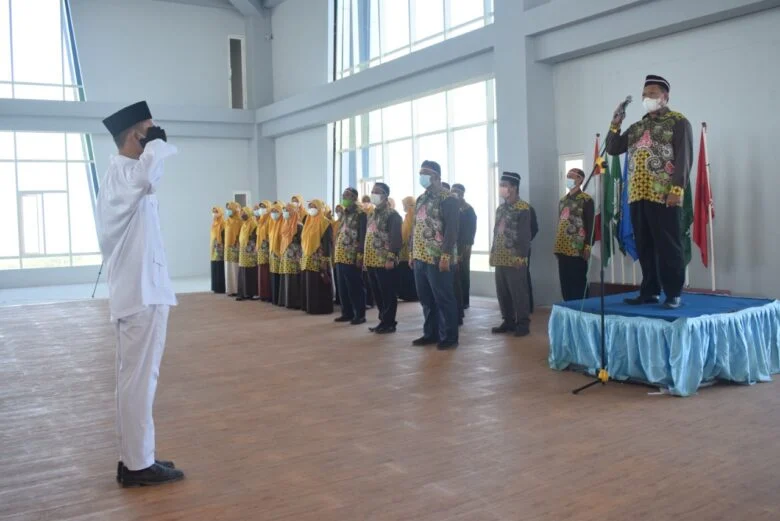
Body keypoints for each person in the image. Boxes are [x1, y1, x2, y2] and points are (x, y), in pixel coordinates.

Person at [96, 100, 184, 487]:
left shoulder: (130, 176)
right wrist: (154, 147)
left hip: (145, 292)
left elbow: (151, 177)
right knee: (138, 381)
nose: (157, 133)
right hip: (139, 296)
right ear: (136, 136)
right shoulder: (125, 175)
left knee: (138, 379)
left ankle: (136, 456)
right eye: (150, 129)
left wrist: (153, 149)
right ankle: (136, 465)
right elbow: (148, 176)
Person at [606, 74, 693, 309]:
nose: (647, 98)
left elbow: (684, 157)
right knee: (644, 244)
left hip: (664, 194)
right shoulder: (638, 127)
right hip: (637, 195)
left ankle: (673, 292)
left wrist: (677, 189)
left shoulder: (678, 122)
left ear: (665, 97)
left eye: (652, 94)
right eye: (645, 94)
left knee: (668, 245)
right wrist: (616, 122)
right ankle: (650, 290)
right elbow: (613, 148)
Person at [410, 160, 460, 350]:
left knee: (444, 298)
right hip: (421, 256)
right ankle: (430, 333)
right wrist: (412, 253)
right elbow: (416, 227)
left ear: (437, 177)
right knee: (426, 299)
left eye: (425, 173)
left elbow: (452, 230)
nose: (421, 177)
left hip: (438, 258)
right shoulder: (421, 199)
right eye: (420, 173)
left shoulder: (448, 199)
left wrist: (446, 256)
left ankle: (449, 336)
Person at [490, 171, 532, 337]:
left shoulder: (523, 208)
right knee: (503, 292)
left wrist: (521, 256)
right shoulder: (501, 208)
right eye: (501, 185)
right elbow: (496, 232)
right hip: (500, 256)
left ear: (514, 188)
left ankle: (522, 323)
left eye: (504, 185)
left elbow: (525, 235)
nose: (501, 188)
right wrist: (493, 252)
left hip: (515, 257)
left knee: (518, 292)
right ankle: (507, 321)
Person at [364, 182, 403, 334]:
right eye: (373, 191)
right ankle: (383, 320)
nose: (374, 194)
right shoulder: (372, 214)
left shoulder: (392, 215)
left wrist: (391, 258)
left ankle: (389, 322)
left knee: (387, 292)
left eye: (377, 192)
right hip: (371, 260)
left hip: (385, 261)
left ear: (385, 195)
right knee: (377, 293)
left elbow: (396, 239)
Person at [554, 168, 594, 301]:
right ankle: (568, 311)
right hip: (562, 247)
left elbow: (590, 225)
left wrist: (587, 246)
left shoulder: (586, 200)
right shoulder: (562, 200)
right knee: (565, 284)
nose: (568, 179)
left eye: (572, 176)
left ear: (580, 180)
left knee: (578, 283)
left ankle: (581, 312)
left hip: (578, 248)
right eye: (567, 176)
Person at [333, 187, 368, 325]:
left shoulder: (361, 214)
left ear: (354, 197)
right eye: (343, 195)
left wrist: (360, 255)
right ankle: (346, 313)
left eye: (347, 196)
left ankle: (359, 314)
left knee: (355, 286)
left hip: (352, 255)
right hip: (340, 255)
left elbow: (362, 235)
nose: (344, 198)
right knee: (342, 287)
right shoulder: (344, 214)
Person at [301, 199, 334, 315]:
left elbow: (327, 243)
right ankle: (310, 307)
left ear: (319, 208)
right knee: (310, 282)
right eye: (309, 206)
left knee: (320, 283)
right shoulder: (308, 222)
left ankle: (322, 308)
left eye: (314, 206)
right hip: (308, 258)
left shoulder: (325, 222)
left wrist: (325, 260)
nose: (311, 209)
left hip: (319, 258)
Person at [451, 183, 477, 312]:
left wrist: (465, 248)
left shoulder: (468, 210)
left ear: (462, 194)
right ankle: (457, 300)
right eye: (452, 191)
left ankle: (464, 301)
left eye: (456, 191)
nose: (454, 193)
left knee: (463, 273)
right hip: (452, 245)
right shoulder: (452, 207)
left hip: (464, 246)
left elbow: (470, 230)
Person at [279, 203, 304, 309]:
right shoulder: (285, 223)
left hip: (295, 256)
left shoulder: (299, 225)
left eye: (287, 210)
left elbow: (301, 241)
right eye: (284, 210)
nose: (285, 213)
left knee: (294, 277)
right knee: (286, 276)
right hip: (286, 254)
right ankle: (286, 300)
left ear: (293, 212)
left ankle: (295, 302)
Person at [396, 196, 418, 302]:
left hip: (409, 250)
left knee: (409, 274)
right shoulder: (406, 216)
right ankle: (406, 294)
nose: (404, 207)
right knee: (405, 273)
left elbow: (409, 232)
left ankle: (412, 295)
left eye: (405, 204)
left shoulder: (412, 215)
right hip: (403, 251)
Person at [236, 206, 259, 301]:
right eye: (241, 213)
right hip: (243, 252)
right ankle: (243, 293)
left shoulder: (253, 223)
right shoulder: (244, 224)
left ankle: (251, 293)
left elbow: (254, 237)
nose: (242, 215)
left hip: (250, 253)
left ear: (249, 213)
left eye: (244, 213)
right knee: (243, 271)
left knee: (250, 272)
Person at [255, 200, 273, 302]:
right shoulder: (261, 220)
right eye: (261, 207)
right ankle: (262, 293)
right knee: (261, 271)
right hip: (261, 249)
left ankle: (267, 294)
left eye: (264, 207)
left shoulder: (269, 220)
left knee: (266, 271)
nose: (262, 209)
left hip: (266, 249)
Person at [268, 202, 284, 306]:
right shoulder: (272, 223)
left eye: (276, 211)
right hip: (273, 253)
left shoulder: (283, 222)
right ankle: (274, 297)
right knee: (273, 275)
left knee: (279, 276)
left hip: (280, 253)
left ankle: (279, 299)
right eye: (272, 211)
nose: (274, 213)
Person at [224, 201, 242, 297]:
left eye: (230, 209)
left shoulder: (239, 220)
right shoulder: (227, 221)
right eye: (227, 209)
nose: (228, 211)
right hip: (227, 248)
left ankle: (236, 289)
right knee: (228, 268)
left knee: (235, 269)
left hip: (235, 247)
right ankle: (230, 289)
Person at [209, 206, 226, 294]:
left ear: (220, 213)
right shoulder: (214, 223)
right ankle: (215, 287)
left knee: (219, 266)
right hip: (214, 248)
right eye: (213, 212)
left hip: (220, 248)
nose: (214, 214)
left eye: (216, 212)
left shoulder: (223, 223)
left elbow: (224, 236)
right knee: (214, 265)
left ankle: (221, 287)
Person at [527, 203, 539, 313]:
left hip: (522, 249)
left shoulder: (527, 208)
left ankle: (527, 307)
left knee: (523, 277)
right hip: (505, 252)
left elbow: (535, 228)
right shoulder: (503, 209)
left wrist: (525, 240)